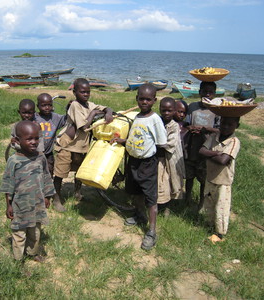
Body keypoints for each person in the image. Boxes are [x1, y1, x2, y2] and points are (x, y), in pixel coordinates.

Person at [111, 84, 167, 250]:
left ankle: (151, 231)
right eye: (141, 98)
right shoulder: (137, 117)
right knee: (135, 192)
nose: (144, 102)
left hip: (147, 164)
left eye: (148, 99)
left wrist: (151, 159)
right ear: (136, 99)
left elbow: (161, 143)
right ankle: (139, 214)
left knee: (150, 197)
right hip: (133, 162)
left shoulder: (155, 120)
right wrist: (123, 141)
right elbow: (136, 137)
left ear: (154, 101)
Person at [53, 78, 113, 211]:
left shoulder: (89, 104)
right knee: (60, 173)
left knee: (79, 171)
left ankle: (77, 193)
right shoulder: (75, 105)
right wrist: (92, 114)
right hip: (68, 144)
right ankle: (56, 199)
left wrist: (108, 112)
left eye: (88, 92)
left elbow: (106, 108)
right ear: (74, 92)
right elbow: (83, 127)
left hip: (81, 146)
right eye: (82, 92)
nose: (85, 94)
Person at [0, 120, 54, 261]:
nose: (33, 142)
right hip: (20, 205)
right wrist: (9, 204)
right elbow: (8, 184)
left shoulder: (40, 157)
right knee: (19, 234)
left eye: (36, 138)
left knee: (35, 232)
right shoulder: (14, 161)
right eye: (29, 139)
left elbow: (46, 177)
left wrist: (47, 196)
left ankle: (32, 253)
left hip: (37, 203)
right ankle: (18, 260)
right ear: (18, 140)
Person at [199, 117, 240, 243]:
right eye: (223, 123)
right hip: (211, 177)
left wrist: (210, 153)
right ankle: (210, 225)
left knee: (221, 207)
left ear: (237, 126)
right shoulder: (214, 136)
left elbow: (223, 161)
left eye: (230, 124)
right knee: (209, 203)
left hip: (223, 181)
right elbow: (201, 151)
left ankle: (220, 233)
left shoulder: (234, 141)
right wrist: (216, 154)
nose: (226, 127)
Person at [184, 81, 220, 210]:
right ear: (199, 92)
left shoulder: (216, 109)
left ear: (214, 94)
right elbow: (185, 124)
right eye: (204, 91)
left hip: (205, 150)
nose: (207, 94)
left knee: (203, 179)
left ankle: (201, 202)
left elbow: (218, 130)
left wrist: (206, 129)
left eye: (210, 92)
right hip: (191, 148)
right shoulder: (193, 106)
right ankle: (186, 198)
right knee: (189, 177)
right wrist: (191, 127)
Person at [157, 97, 185, 215]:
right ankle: (157, 205)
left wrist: (153, 143)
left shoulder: (174, 126)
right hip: (158, 159)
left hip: (169, 159)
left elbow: (170, 144)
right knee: (159, 182)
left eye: (169, 111)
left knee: (169, 181)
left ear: (174, 111)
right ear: (160, 110)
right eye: (164, 111)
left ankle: (167, 207)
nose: (166, 113)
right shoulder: (158, 121)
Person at [34, 93, 67, 176]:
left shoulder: (55, 117)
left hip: (48, 152)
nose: (47, 107)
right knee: (36, 171)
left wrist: (69, 108)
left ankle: (49, 186)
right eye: (44, 105)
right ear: (38, 106)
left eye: (50, 105)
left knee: (50, 170)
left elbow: (66, 119)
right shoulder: (34, 117)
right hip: (35, 152)